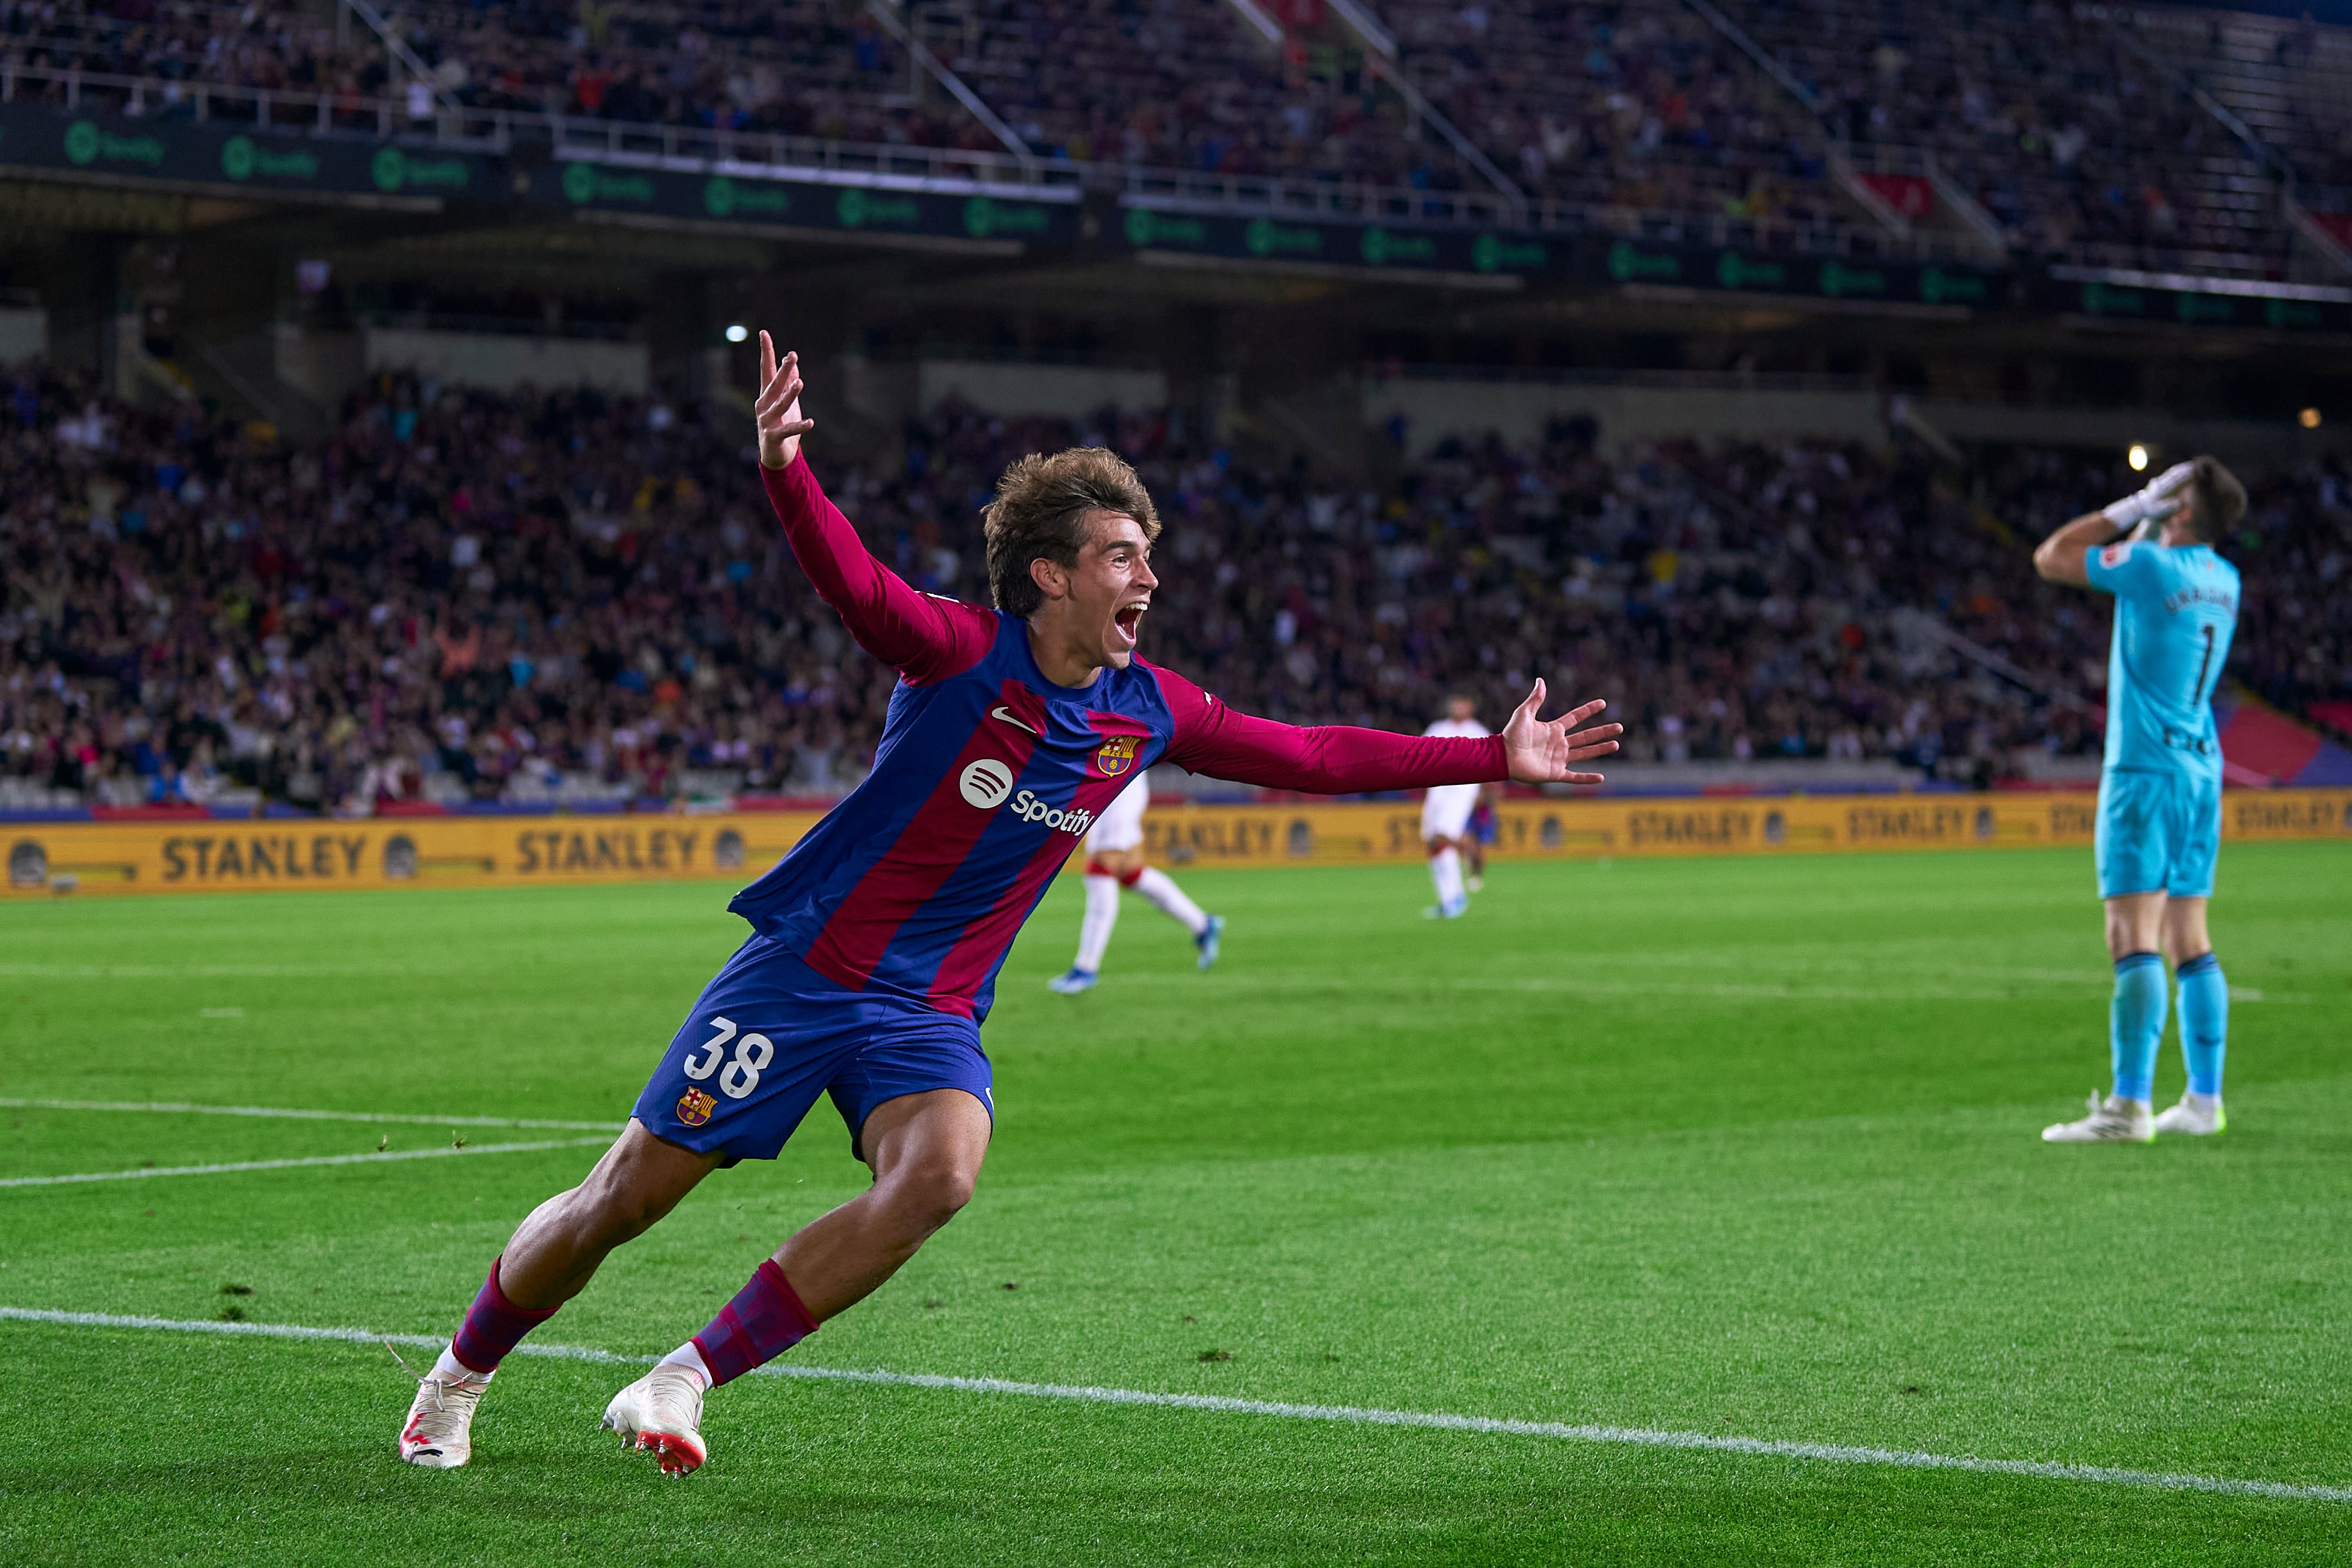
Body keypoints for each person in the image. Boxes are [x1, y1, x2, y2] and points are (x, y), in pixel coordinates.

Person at [395, 335, 1624, 1473]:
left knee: (939, 1174)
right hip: (809, 968)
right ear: (1050, 573)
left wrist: (1488, 759)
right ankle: (456, 1376)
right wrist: (784, 467)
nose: (1150, 571)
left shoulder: (1150, 709)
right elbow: (852, 582)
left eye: (1147, 551)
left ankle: (679, 1377)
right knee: (626, 1198)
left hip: (928, 1007)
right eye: (1122, 554)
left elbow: (1307, 751)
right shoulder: (956, 653)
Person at [2029, 456, 2245, 1144]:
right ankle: (2203, 1102)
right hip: (2200, 769)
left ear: (2179, 512)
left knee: (2132, 935)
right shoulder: (2224, 578)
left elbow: (2053, 557)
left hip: (2143, 771)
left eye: (2168, 500)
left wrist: (2131, 505)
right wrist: (2165, 510)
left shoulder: (2153, 569)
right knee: (2190, 937)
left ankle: (2126, 1109)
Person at [1047, 773, 1222, 994]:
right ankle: (1203, 924)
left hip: (1120, 781)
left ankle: (1086, 968)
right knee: (1131, 872)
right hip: (1116, 782)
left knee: (1101, 867)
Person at [1419, 695, 1489, 917]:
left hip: (1461, 792)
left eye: (1462, 702)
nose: (1456, 706)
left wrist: (1483, 793)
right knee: (1432, 841)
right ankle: (1448, 898)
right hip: (1437, 790)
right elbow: (1420, 756)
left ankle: (1455, 898)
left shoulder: (1478, 731)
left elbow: (1489, 764)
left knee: (1443, 836)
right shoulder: (1437, 728)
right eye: (1454, 702)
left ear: (1471, 706)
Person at [1464, 784, 1499, 892]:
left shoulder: (1484, 783)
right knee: (1469, 845)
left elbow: (1491, 796)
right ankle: (1471, 873)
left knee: (1479, 849)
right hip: (1469, 816)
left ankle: (1477, 875)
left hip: (1482, 817)